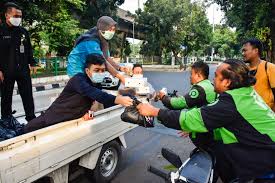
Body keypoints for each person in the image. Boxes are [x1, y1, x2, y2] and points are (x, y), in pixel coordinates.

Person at [137, 59, 275, 182]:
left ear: (227, 82)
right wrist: (195, 125)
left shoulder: (230, 102)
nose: (213, 79)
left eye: (216, 76)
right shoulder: (245, 93)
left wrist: (154, 111)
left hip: (266, 161)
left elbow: (192, 116)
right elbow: (215, 115)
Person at [23, 54, 133, 133]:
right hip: (51, 120)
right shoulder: (78, 80)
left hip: (68, 124)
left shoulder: (96, 83)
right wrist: (119, 100)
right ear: (87, 71)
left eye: (103, 70)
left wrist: (89, 114)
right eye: (97, 70)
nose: (101, 73)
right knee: (25, 132)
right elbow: (97, 95)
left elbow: (94, 102)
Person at [156, 61, 217, 144]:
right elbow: (196, 102)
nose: (190, 77)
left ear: (198, 75)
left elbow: (177, 104)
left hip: (204, 132)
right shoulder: (209, 85)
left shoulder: (199, 88)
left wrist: (163, 97)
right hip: (208, 127)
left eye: (191, 74)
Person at [0, 2, 36, 122]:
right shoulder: (1, 32)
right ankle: (6, 120)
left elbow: (28, 49)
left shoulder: (23, 32)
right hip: (6, 71)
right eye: (16, 16)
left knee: (27, 96)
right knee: (6, 97)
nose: (18, 19)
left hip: (23, 70)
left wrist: (32, 62)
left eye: (20, 16)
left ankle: (31, 119)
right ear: (7, 15)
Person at [67, 16, 126, 83]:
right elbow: (103, 60)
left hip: (87, 69)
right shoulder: (91, 42)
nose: (112, 32)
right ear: (103, 28)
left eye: (113, 30)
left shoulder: (103, 41)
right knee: (81, 89)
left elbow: (107, 58)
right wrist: (120, 76)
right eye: (110, 29)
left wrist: (120, 68)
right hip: (76, 69)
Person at [242, 38, 275, 111]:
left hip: (266, 117)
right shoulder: (243, 70)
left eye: (245, 50)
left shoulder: (269, 67)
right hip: (248, 115)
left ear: (256, 51)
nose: (243, 54)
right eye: (242, 51)